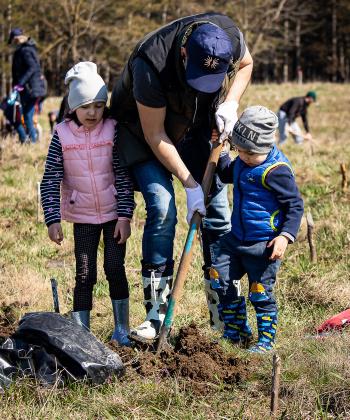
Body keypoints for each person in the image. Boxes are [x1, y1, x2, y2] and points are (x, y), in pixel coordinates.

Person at [110, 12, 253, 341]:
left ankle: (224, 315)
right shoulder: (151, 62)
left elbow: (246, 65)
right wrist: (189, 184)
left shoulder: (228, 34)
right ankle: (156, 316)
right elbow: (155, 134)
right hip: (143, 134)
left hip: (197, 127)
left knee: (217, 213)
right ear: (185, 52)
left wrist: (230, 103)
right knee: (163, 207)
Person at [40, 62, 135, 346]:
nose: (92, 113)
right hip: (81, 216)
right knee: (84, 272)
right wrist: (52, 218)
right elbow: (51, 177)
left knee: (114, 267)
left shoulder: (113, 130)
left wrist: (125, 216)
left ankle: (122, 329)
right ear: (73, 108)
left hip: (112, 214)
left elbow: (123, 174)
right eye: (85, 106)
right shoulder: (62, 134)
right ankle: (82, 332)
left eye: (98, 105)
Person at [210, 106, 304, 353]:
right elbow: (226, 173)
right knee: (219, 278)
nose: (244, 157)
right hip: (236, 239)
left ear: (265, 147)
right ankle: (236, 330)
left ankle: (265, 341)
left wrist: (285, 236)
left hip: (264, 245)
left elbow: (295, 205)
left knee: (260, 293)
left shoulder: (276, 171)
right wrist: (221, 153)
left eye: (250, 153)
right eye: (240, 151)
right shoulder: (242, 160)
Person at [8, 27, 47, 143]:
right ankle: (29, 140)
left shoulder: (25, 51)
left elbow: (33, 67)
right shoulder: (28, 49)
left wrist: (20, 83)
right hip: (30, 88)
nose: (12, 44)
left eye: (13, 41)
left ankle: (32, 142)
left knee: (27, 116)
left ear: (16, 39)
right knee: (26, 116)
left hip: (31, 89)